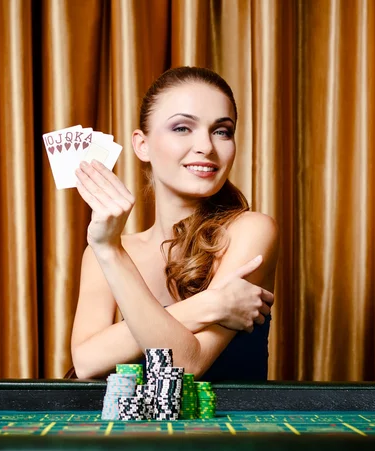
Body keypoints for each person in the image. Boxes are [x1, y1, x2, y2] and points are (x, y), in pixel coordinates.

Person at [70, 66, 279, 382]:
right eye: (182, 128)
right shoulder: (109, 250)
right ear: (142, 145)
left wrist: (110, 256)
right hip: (138, 432)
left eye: (222, 131)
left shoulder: (252, 230)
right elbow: (85, 363)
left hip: (233, 430)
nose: (206, 147)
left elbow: (186, 363)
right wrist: (210, 304)